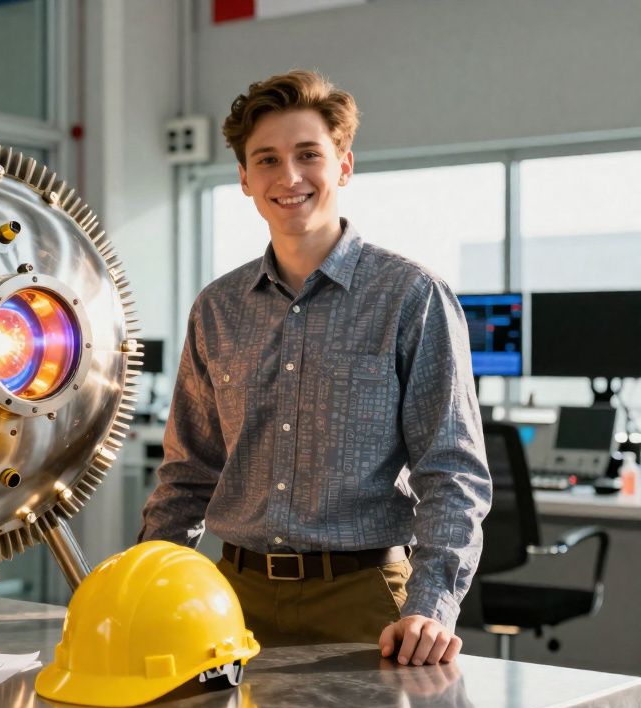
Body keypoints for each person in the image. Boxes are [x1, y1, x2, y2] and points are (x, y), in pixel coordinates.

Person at [138, 69, 491, 666]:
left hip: (364, 603)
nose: (290, 177)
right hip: (230, 599)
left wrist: (431, 605)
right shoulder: (218, 308)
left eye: (309, 155)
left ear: (344, 165)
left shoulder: (410, 296)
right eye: (267, 160)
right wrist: (144, 582)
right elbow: (188, 474)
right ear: (245, 179)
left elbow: (452, 472)